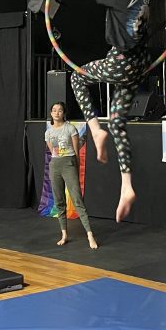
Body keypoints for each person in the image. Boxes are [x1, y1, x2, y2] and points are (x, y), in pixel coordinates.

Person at [70, 0, 152, 222]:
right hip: (138, 63)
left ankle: (94, 131)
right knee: (118, 121)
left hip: (121, 62)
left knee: (77, 78)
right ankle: (127, 186)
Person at [45, 102, 97, 250]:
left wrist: (74, 167)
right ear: (51, 113)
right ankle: (64, 234)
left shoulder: (70, 129)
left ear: (63, 113)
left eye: (60, 110)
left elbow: (75, 151)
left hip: (69, 164)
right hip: (55, 165)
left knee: (77, 200)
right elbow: (53, 151)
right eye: (54, 110)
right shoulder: (48, 133)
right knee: (59, 201)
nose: (57, 113)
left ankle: (90, 234)